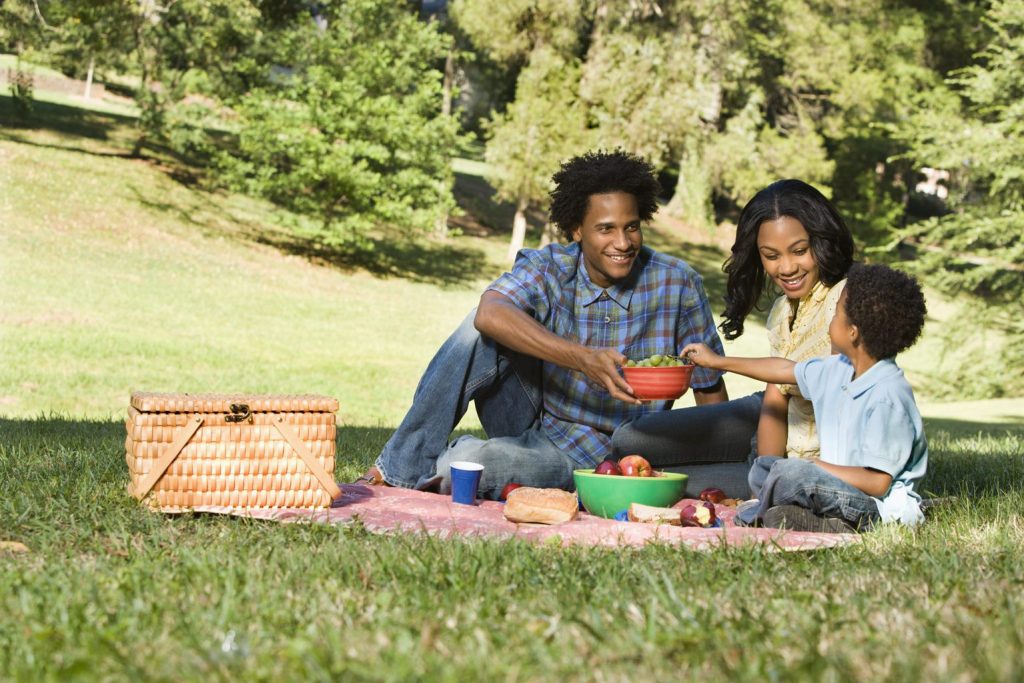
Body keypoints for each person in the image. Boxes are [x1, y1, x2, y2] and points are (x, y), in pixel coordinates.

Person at [360, 149, 729, 499]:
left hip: (628, 452)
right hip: (547, 434)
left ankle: (473, 454)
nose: (622, 242)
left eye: (631, 227)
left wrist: (719, 463)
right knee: (478, 329)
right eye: (605, 229)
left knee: (465, 466)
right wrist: (582, 358)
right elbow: (490, 313)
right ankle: (401, 468)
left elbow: (709, 388)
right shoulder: (551, 267)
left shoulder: (678, 282)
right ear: (576, 230)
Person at [611, 179, 855, 497]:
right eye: (771, 255)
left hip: (809, 464)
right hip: (766, 431)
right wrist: (766, 469)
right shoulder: (783, 309)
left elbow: (822, 379)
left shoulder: (846, 299)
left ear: (822, 241)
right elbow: (775, 400)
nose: (787, 267)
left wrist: (770, 485)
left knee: (655, 481)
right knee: (627, 441)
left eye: (799, 251)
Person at [681, 263, 929, 532]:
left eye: (835, 316)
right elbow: (783, 369)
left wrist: (815, 467)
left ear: (853, 332)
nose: (829, 323)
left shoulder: (887, 396)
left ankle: (764, 515)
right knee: (766, 467)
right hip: (832, 488)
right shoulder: (839, 370)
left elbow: (878, 483)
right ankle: (798, 518)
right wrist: (717, 361)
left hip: (876, 506)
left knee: (794, 474)